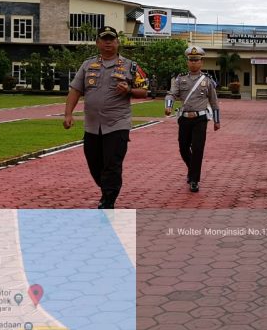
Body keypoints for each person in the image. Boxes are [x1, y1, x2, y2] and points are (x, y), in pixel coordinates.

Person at [63, 26, 149, 209]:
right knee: (94, 163)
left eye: (112, 39)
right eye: (104, 39)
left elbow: (145, 91)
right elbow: (75, 90)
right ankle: (107, 190)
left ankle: (108, 200)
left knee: (112, 163)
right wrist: (68, 113)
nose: (108, 42)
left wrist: (129, 90)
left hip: (117, 124)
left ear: (118, 43)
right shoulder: (87, 65)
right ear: (98, 43)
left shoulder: (130, 66)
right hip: (92, 125)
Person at [164, 45, 221, 193]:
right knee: (183, 148)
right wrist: (169, 105)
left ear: (201, 62)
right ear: (187, 62)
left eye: (197, 60)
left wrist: (216, 120)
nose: (194, 63)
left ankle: (194, 179)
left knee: (197, 149)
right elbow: (171, 94)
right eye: (191, 60)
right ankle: (192, 169)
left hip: (200, 119)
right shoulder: (180, 79)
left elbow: (214, 101)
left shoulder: (207, 80)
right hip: (184, 119)